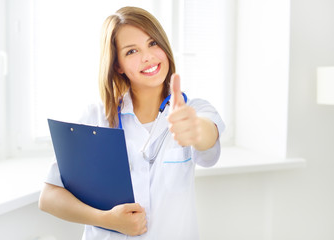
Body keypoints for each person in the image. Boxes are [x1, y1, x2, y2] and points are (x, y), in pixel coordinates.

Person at [39, 6, 225, 240]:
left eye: (152, 43)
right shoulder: (96, 118)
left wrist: (195, 130)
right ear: (118, 65)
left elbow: (208, 142)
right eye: (131, 51)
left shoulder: (194, 110)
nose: (147, 57)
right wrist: (107, 219)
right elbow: (48, 197)